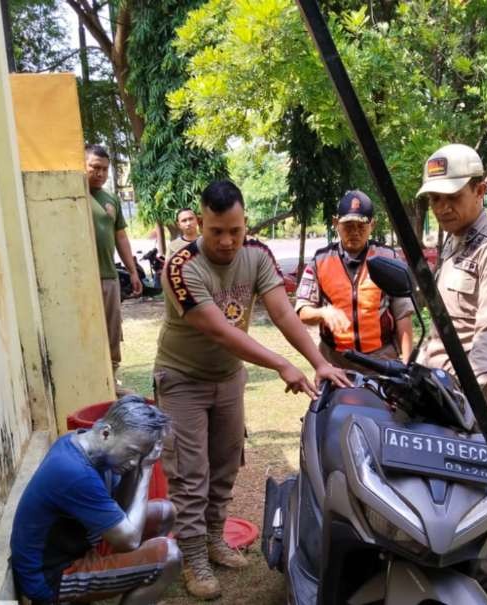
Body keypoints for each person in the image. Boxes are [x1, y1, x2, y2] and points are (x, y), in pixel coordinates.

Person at [154, 180, 350, 600]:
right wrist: (282, 365)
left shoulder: (256, 255)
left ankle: (213, 539)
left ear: (246, 224)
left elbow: (282, 311)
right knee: (190, 474)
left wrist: (319, 363)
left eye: (235, 231)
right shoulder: (180, 266)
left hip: (227, 378)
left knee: (224, 466)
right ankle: (194, 558)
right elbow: (221, 332)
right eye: (216, 231)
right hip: (182, 379)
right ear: (199, 223)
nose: (226, 241)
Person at [414, 143, 487, 605]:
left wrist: (462, 407)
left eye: (452, 197)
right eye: (435, 199)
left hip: (471, 400)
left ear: (480, 190)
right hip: (440, 393)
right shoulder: (457, 242)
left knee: (476, 515)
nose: (442, 207)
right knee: (440, 505)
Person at [10, 396, 178, 605]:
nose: (134, 461)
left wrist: (135, 466)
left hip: (77, 548)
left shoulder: (88, 444)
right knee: (168, 556)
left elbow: (123, 510)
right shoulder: (73, 471)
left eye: (141, 456)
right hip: (49, 578)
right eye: (133, 452)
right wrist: (145, 469)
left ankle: (136, 583)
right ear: (106, 433)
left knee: (164, 512)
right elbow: (129, 540)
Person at [295, 190, 414, 372]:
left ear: (372, 225)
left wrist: (407, 364)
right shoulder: (320, 260)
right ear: (336, 223)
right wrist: (324, 313)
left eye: (361, 226)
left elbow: (403, 313)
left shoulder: (388, 257)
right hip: (335, 362)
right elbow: (302, 311)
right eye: (348, 226)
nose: (355, 233)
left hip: (381, 360)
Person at [85, 144, 142, 385]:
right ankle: (91, 378)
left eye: (105, 170)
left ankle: (111, 379)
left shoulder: (111, 199)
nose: (100, 174)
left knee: (112, 329)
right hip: (82, 278)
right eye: (94, 167)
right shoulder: (74, 195)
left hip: (108, 276)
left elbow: (121, 236)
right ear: (82, 165)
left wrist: (132, 271)